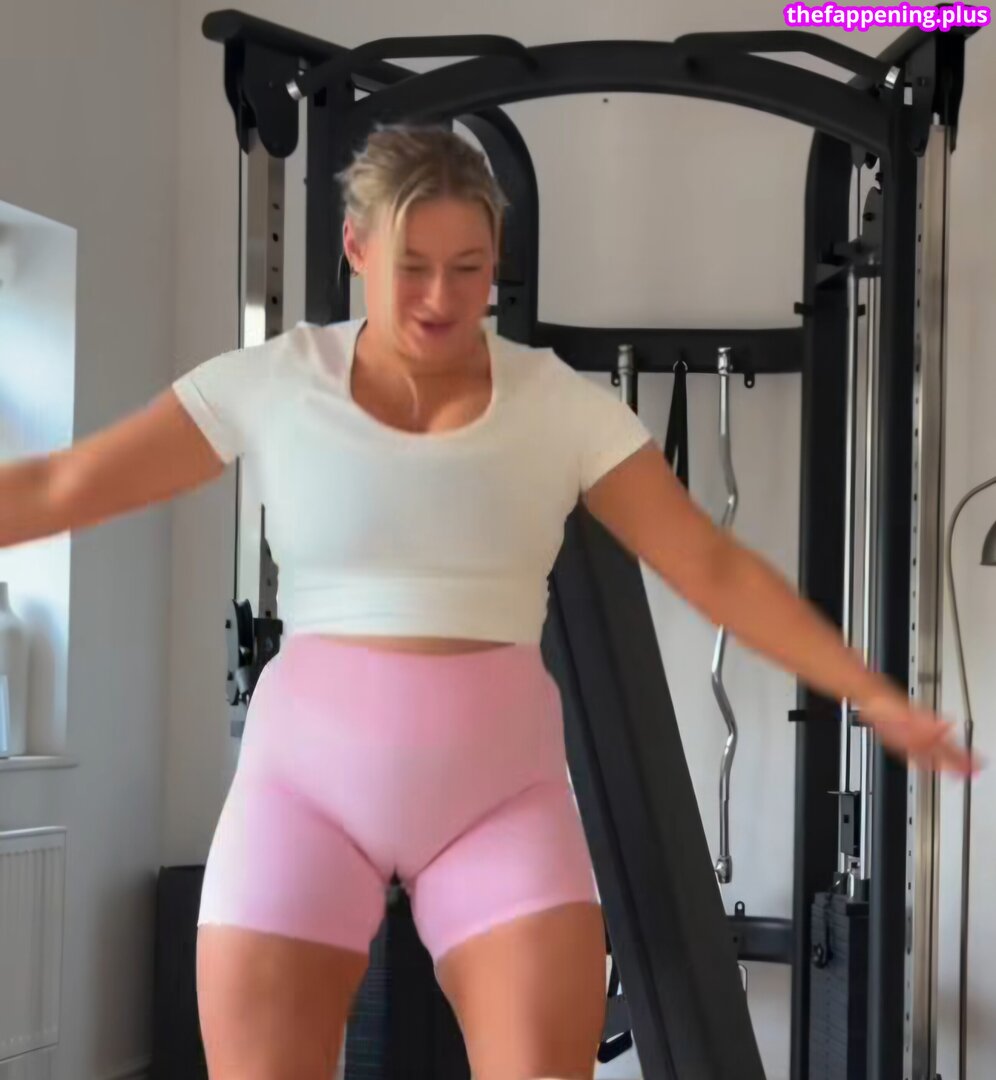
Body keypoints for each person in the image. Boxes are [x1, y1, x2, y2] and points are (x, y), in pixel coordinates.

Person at [0, 125, 975, 1080]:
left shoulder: (558, 405)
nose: (440, 297)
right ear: (356, 247)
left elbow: (711, 568)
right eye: (413, 267)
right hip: (301, 794)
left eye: (466, 268)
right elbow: (66, 485)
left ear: (496, 255)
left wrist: (869, 691)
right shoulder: (273, 381)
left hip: (499, 800)